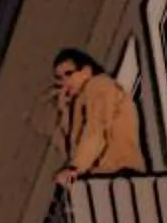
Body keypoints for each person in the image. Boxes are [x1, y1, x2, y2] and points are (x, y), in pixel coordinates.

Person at [52, 47, 146, 184]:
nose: (65, 82)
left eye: (69, 74)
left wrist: (74, 169)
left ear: (86, 71)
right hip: (107, 179)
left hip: (119, 174)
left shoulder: (97, 86)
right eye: (60, 79)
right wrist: (64, 112)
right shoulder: (80, 103)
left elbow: (96, 131)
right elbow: (71, 150)